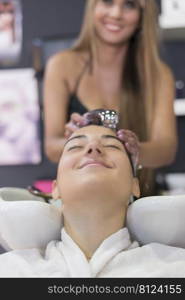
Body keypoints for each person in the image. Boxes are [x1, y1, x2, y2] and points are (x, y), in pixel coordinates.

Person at [0, 124, 185, 278]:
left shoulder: (175, 269)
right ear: (55, 189)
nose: (93, 148)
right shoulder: (12, 271)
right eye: (75, 147)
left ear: (134, 185)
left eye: (112, 146)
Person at [43, 0, 177, 197]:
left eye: (129, 5)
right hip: (79, 201)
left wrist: (133, 149)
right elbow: (51, 147)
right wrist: (74, 140)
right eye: (107, 1)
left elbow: (166, 150)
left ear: (142, 16)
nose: (116, 13)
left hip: (142, 202)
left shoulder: (158, 75)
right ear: (93, 7)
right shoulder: (62, 65)